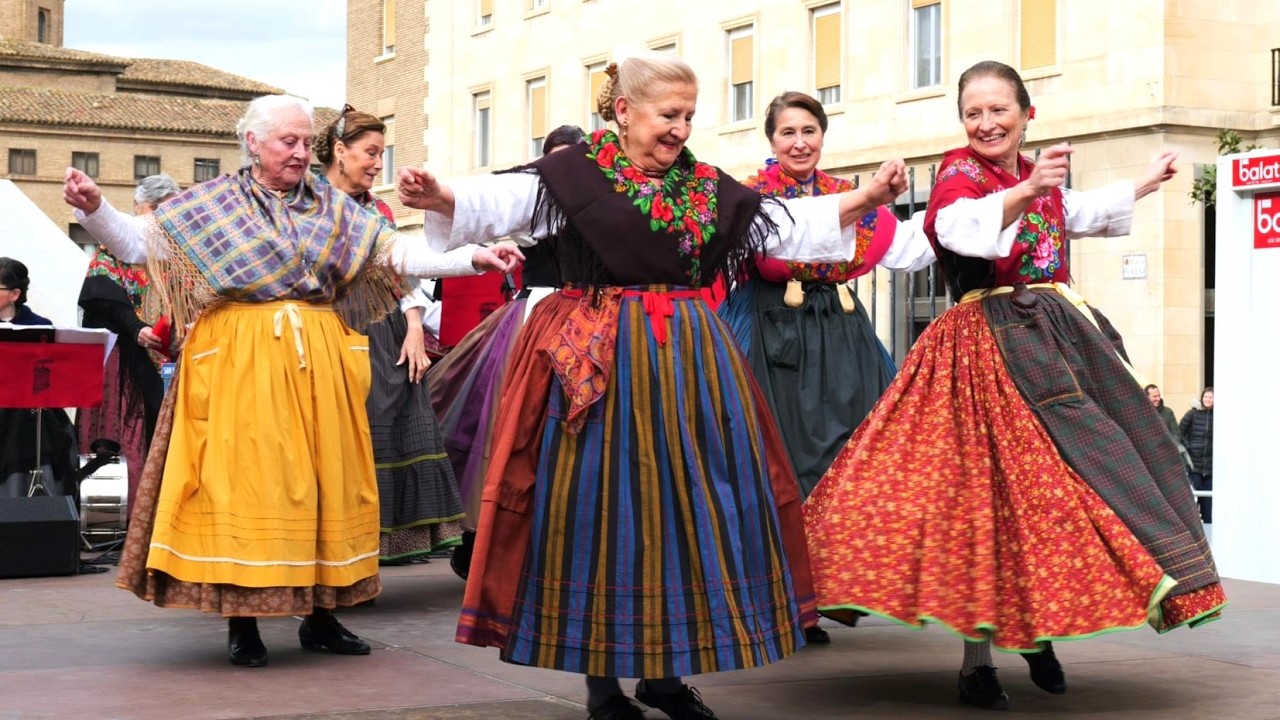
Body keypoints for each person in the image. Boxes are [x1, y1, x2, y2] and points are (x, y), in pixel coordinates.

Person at [399, 54, 923, 720]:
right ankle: (601, 681)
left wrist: (867, 201)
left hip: (685, 362)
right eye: (667, 115)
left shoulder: (704, 187)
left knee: (683, 511)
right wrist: (441, 197)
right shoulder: (574, 176)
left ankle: (666, 675)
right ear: (623, 111)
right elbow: (505, 202)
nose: (680, 129)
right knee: (595, 511)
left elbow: (785, 227)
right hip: (592, 361)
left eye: (688, 116)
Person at [802, 60, 1226, 711]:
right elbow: (954, 227)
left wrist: (1141, 183)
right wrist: (1025, 191)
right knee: (981, 508)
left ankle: (1035, 632)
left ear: (1027, 114)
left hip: (1055, 347)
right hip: (983, 353)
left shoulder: (1034, 179)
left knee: (1066, 500)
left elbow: (1074, 211)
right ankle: (979, 663)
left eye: (999, 110)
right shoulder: (959, 175)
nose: (986, 122)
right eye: (973, 113)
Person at [62, 94, 522, 669]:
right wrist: (95, 208)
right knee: (245, 485)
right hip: (237, 362)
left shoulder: (332, 207)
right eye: (290, 142)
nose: (303, 153)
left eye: (307, 142)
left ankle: (322, 616)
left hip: (321, 360)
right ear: (253, 143)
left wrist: (472, 258)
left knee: (326, 482)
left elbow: (395, 252)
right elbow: (138, 244)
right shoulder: (211, 205)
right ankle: (243, 622)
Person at [719, 91, 927, 645]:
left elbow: (905, 244)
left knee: (855, 454)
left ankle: (833, 584)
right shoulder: (751, 196)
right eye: (788, 132)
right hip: (767, 330)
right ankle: (779, 594)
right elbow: (760, 249)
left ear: (822, 136)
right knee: (774, 460)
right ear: (771, 141)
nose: (799, 142)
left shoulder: (846, 193)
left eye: (809, 130)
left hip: (839, 332)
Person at [314, 105, 474, 564]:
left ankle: (382, 545)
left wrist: (414, 329)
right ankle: (341, 546)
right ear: (340, 151)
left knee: (397, 423)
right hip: (333, 327)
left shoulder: (378, 209)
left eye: (381, 154)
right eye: (370, 153)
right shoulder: (310, 205)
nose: (376, 164)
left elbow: (402, 273)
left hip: (385, 333)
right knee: (347, 436)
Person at [429, 123, 586, 582]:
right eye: (555, 159)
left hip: (585, 318)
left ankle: (553, 541)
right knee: (500, 427)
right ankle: (480, 538)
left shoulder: (598, 206)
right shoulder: (530, 200)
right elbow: (483, 208)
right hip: (532, 318)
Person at [76, 174, 179, 501]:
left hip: (170, 360)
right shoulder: (113, 250)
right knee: (124, 433)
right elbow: (105, 300)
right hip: (122, 363)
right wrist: (137, 329)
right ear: (139, 208)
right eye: (157, 209)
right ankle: (121, 513)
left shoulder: (173, 257)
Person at [0, 258, 79, 498]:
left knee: (35, 425)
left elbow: (52, 377)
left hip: (28, 410)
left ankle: (29, 507)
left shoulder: (39, 326)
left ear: (14, 294)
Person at [1180, 387, 1214, 523]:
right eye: (1206, 397)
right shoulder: (1192, 414)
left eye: (1211, 397)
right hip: (1194, 463)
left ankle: (1208, 528)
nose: (1208, 399)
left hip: (1211, 465)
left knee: (1208, 500)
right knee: (1194, 497)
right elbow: (1179, 432)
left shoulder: (1220, 416)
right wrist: (1189, 447)